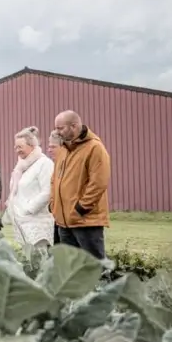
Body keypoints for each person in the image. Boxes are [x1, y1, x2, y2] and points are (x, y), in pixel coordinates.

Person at [50, 110, 111, 260]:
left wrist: (81, 208)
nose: (57, 133)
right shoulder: (63, 150)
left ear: (74, 126)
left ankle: (101, 285)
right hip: (63, 222)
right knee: (70, 270)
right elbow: (54, 180)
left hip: (85, 221)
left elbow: (98, 182)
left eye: (60, 128)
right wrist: (53, 205)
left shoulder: (95, 148)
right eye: (56, 128)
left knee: (95, 267)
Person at [4, 127, 55, 248]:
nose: (17, 150)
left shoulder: (44, 163)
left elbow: (47, 192)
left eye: (20, 147)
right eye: (15, 147)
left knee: (41, 260)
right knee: (29, 261)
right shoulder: (20, 167)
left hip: (38, 223)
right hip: (22, 224)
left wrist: (28, 210)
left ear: (32, 145)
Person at [47, 130, 64, 244]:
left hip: (70, 218)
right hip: (58, 217)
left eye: (53, 147)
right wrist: (52, 205)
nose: (49, 150)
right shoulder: (56, 165)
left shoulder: (67, 165)